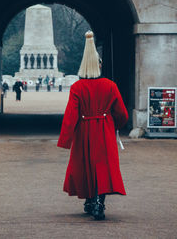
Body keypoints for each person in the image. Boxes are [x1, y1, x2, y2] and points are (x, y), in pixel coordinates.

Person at [57, 30, 128, 220]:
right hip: (104, 128)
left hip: (83, 129)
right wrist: (115, 125)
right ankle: (99, 203)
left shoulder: (77, 87)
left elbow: (70, 115)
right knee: (102, 166)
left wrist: (66, 139)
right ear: (99, 65)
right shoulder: (110, 85)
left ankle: (89, 200)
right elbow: (122, 113)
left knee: (85, 165)